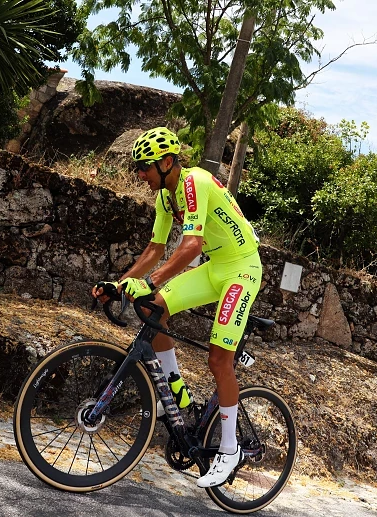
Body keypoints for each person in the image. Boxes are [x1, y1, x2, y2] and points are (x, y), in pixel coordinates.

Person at [92, 127, 262, 488]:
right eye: (137, 167)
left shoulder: (194, 181)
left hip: (243, 268)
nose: (140, 174)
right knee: (152, 308)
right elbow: (154, 250)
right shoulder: (165, 198)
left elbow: (191, 245)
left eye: (144, 166)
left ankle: (229, 449)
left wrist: (150, 281)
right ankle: (175, 393)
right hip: (216, 267)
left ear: (167, 162)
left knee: (218, 360)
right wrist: (119, 284)